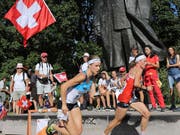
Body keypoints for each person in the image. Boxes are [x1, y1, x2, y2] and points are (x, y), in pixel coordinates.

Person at [46, 55, 101, 135]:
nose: (98, 68)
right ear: (89, 65)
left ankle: (58, 127)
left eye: (99, 66)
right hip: (64, 104)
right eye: (96, 66)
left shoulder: (92, 78)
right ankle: (53, 126)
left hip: (74, 104)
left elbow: (92, 94)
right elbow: (63, 86)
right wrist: (64, 105)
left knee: (78, 132)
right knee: (73, 134)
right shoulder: (82, 76)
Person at [104, 54, 150, 135]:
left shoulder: (133, 68)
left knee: (146, 114)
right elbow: (136, 84)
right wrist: (146, 88)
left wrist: (121, 84)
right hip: (125, 98)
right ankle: (104, 134)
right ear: (139, 62)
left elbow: (122, 79)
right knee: (117, 120)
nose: (146, 63)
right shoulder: (139, 69)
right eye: (144, 61)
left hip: (131, 97)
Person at [144, 45, 166, 112]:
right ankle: (154, 106)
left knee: (157, 91)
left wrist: (150, 63)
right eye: (145, 50)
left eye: (147, 49)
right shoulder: (145, 58)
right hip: (147, 77)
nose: (146, 51)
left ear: (150, 50)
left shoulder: (155, 57)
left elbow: (158, 66)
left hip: (154, 76)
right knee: (150, 92)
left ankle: (162, 106)